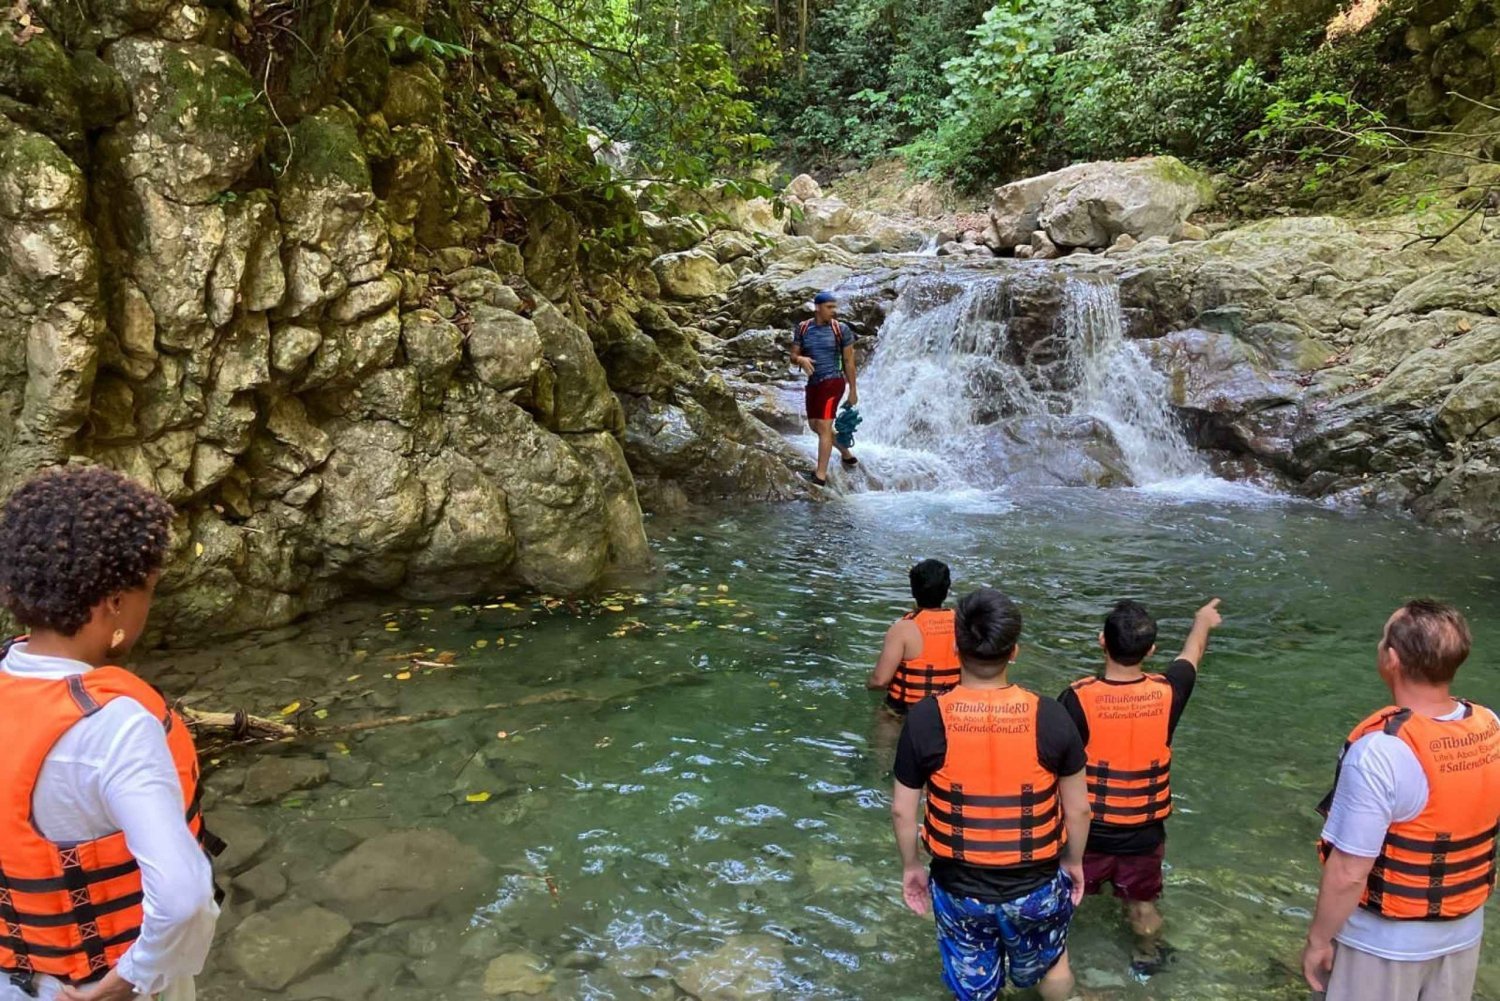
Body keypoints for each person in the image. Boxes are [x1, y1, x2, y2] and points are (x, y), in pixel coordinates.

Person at [0, 467, 220, 1001]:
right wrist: (130, 980)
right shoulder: (115, 729)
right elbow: (184, 898)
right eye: (147, 590)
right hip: (90, 988)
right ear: (114, 603)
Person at [891, 588, 1091, 1001]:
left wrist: (911, 866)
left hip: (959, 888)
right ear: (1014, 650)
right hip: (1034, 885)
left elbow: (902, 812)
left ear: (955, 646)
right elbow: (1080, 810)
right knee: (1054, 961)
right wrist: (1073, 862)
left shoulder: (926, 718)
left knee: (974, 982)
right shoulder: (1049, 715)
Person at [1303, 599, 1499, 1001]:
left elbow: (1349, 872)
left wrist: (1318, 940)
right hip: (1463, 929)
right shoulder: (1490, 725)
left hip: (1384, 945)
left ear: (1391, 659)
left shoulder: (1381, 751)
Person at [1058, 598, 1223, 975]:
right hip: (1144, 835)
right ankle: (1146, 960)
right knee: (1142, 908)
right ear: (1150, 650)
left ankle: (1060, 965)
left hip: (1089, 833)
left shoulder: (1077, 698)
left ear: (1102, 641)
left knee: (1069, 898)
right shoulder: (1169, 692)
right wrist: (1202, 621)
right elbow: (1192, 653)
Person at [867, 559, 960, 714]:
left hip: (903, 710)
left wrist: (867, 683)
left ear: (913, 591)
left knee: (885, 730)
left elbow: (880, 681)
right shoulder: (964, 625)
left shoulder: (902, 629)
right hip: (950, 711)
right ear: (947, 589)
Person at [791, 290, 859, 487]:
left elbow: (849, 361)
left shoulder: (841, 329)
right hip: (813, 383)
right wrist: (801, 359)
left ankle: (820, 476)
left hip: (833, 382)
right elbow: (793, 355)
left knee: (824, 427)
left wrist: (853, 390)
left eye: (834, 307)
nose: (833, 311)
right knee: (814, 425)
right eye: (829, 307)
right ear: (817, 308)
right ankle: (846, 453)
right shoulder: (803, 328)